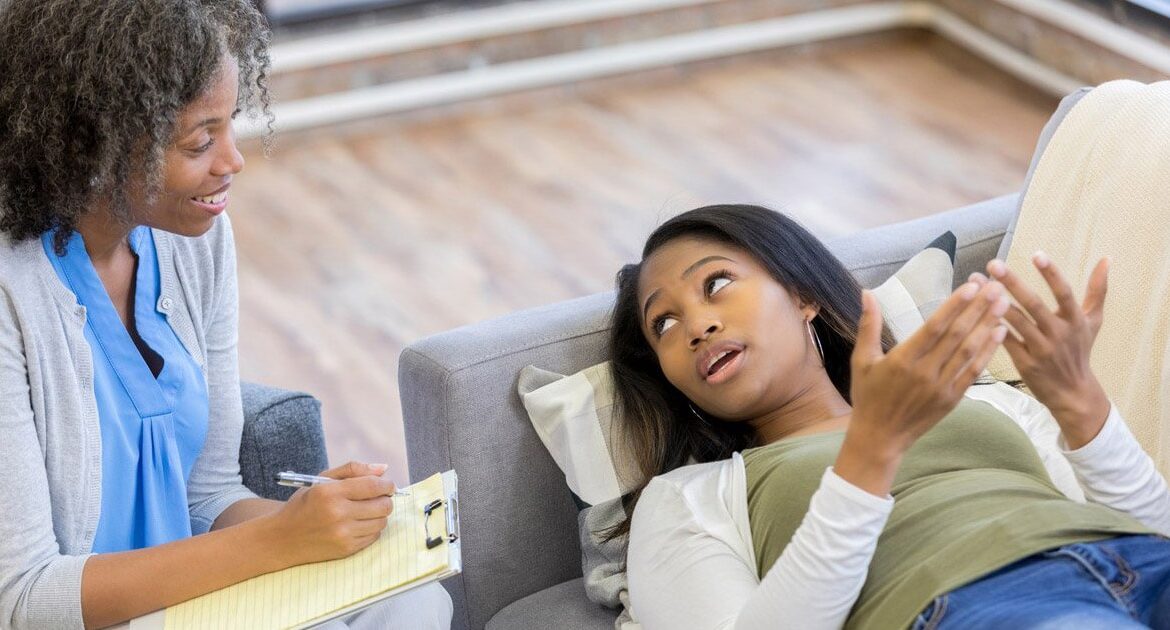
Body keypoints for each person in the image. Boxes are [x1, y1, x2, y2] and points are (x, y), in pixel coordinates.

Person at [0, 2, 451, 629]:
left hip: (194, 600)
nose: (232, 161)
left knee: (414, 593)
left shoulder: (199, 243)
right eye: (200, 141)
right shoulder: (11, 292)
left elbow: (208, 494)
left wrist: (331, 523)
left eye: (231, 125)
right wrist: (277, 542)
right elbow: (23, 598)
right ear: (94, 142)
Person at [609, 204, 1170, 629]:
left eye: (718, 283)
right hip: (975, 604)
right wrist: (869, 456)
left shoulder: (984, 399)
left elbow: (1157, 529)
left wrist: (1080, 401)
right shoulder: (690, 497)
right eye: (664, 324)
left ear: (804, 296)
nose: (696, 328)